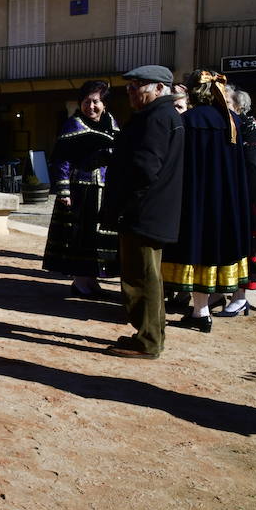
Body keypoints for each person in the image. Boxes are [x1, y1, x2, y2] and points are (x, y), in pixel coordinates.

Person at [99, 65, 184, 359]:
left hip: (143, 211)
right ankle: (148, 334)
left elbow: (145, 168)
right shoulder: (162, 116)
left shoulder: (156, 118)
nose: (133, 93)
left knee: (141, 278)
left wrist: (127, 205)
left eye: (139, 87)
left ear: (160, 89)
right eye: (130, 88)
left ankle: (147, 341)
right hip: (150, 210)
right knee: (149, 277)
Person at [161, 70, 250, 333]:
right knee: (210, 250)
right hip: (225, 200)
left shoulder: (187, 120)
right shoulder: (231, 120)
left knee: (194, 250)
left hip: (193, 196)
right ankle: (200, 310)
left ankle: (199, 311)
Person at [43, 80, 120, 298]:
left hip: (104, 190)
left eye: (96, 101)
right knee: (79, 236)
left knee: (96, 237)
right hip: (80, 191)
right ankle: (79, 281)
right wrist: (64, 191)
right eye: (87, 101)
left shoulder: (112, 124)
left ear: (104, 104)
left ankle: (91, 279)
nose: (91, 106)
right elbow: (61, 161)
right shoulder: (73, 125)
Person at [218, 86, 256, 316]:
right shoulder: (233, 126)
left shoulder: (249, 127)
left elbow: (251, 167)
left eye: (227, 103)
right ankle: (217, 293)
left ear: (238, 106)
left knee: (244, 247)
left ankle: (239, 297)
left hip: (247, 198)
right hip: (235, 195)